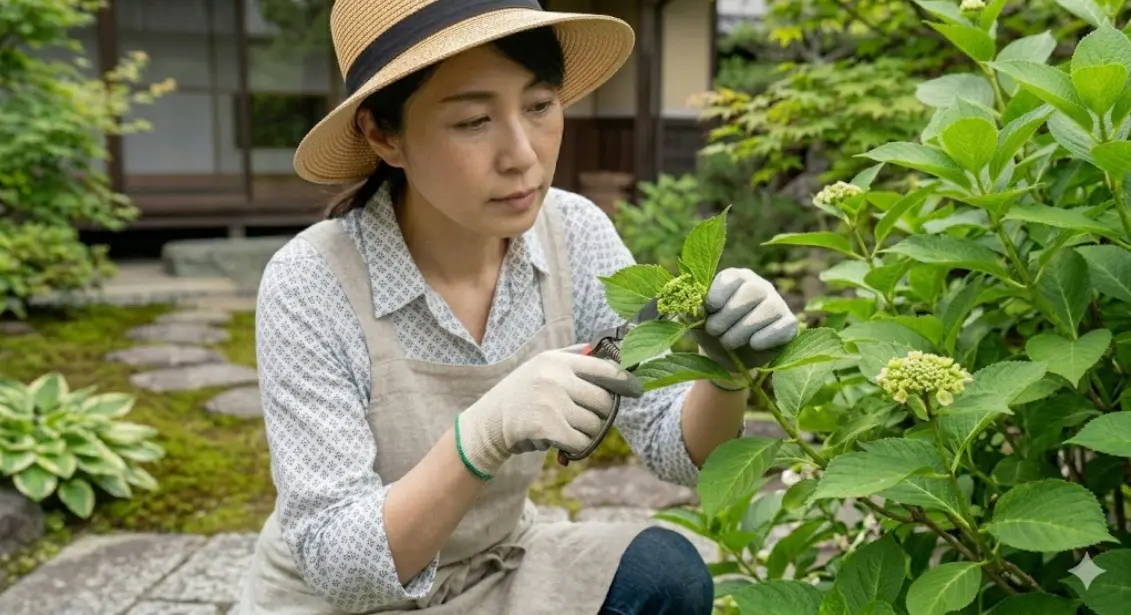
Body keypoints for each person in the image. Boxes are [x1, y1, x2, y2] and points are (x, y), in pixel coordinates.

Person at [236, 1, 799, 614]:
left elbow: (676, 449)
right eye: (474, 120)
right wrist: (483, 433)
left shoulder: (573, 234)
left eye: (539, 106)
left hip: (497, 572)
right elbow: (341, 566)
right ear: (383, 134)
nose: (522, 155)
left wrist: (726, 370)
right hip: (340, 604)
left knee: (665, 574)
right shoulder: (312, 281)